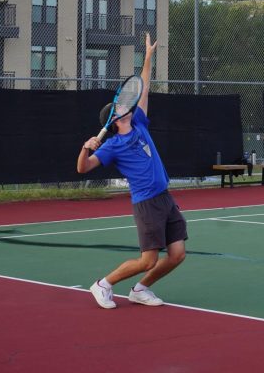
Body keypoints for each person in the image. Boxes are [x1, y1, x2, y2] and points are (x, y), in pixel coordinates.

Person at [77, 33, 187, 309]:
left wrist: (148, 57)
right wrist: (85, 148)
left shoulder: (139, 124)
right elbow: (84, 168)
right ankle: (103, 284)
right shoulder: (112, 145)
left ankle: (140, 289)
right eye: (121, 106)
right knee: (147, 259)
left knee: (177, 254)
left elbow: (144, 88)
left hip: (165, 198)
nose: (127, 105)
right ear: (114, 118)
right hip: (146, 204)